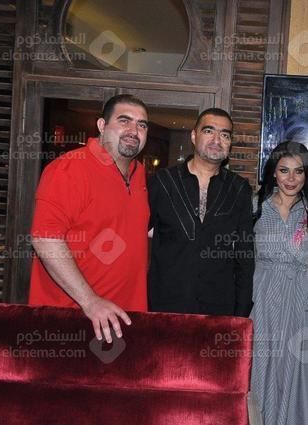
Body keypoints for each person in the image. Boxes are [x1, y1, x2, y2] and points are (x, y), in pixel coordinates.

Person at [29, 94, 150, 343]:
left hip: (124, 320)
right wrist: (90, 301)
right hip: (72, 320)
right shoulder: (69, 169)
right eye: (124, 121)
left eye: (142, 125)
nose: (133, 130)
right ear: (102, 126)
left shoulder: (139, 175)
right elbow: (45, 240)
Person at [148, 108, 254, 316]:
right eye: (209, 131)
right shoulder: (163, 182)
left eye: (225, 135)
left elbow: (245, 256)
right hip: (165, 306)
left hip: (219, 308)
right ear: (194, 136)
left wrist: (241, 314)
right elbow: (138, 241)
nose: (217, 140)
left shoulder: (239, 189)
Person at [250, 141, 308, 425]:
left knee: (295, 371)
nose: (291, 178)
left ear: (307, 175)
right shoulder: (256, 206)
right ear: (273, 173)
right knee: (260, 366)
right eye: (284, 170)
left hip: (300, 302)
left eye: (298, 171)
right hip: (263, 298)